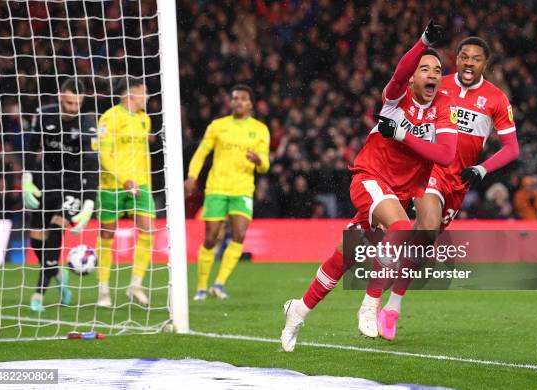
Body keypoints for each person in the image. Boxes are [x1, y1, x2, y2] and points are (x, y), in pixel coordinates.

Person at [281, 21, 458, 351]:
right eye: (424, 68)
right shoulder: (396, 98)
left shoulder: (443, 107)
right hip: (369, 179)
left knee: (344, 256)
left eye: (437, 69)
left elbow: (446, 155)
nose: (432, 74)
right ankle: (370, 303)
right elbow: (399, 71)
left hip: (398, 193)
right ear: (413, 76)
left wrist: (403, 134)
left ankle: (298, 309)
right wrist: (422, 42)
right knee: (403, 227)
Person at [360, 36, 520, 339]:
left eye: (475, 58)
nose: (469, 62)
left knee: (423, 242)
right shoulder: (435, 82)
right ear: (456, 59)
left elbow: (512, 148)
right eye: (464, 56)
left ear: (486, 64)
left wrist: (482, 168)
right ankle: (374, 296)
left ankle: (392, 306)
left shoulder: (496, 99)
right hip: (430, 170)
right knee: (428, 225)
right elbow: (404, 103)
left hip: (461, 180)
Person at [185, 84, 270, 300]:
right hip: (217, 188)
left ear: (251, 104)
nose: (238, 102)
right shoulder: (218, 126)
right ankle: (202, 287)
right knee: (211, 237)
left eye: (243, 99)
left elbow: (265, 166)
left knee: (239, 235)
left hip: (242, 189)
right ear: (230, 102)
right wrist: (192, 176)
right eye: (235, 98)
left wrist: (259, 160)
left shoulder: (260, 129)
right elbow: (201, 152)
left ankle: (219, 283)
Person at [23, 77, 98, 312]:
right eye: (68, 104)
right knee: (37, 241)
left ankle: (38, 294)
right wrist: (27, 177)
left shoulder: (87, 123)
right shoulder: (44, 115)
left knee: (55, 233)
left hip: (73, 184)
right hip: (46, 179)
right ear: (60, 98)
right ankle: (58, 273)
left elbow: (92, 162)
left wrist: (88, 202)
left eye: (77, 104)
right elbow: (31, 147)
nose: (73, 109)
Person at [95, 77, 155, 307]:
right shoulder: (110, 118)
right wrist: (123, 179)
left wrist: (138, 181)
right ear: (132, 94)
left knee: (148, 230)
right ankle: (103, 290)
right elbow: (104, 156)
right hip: (113, 185)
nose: (147, 97)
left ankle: (135, 285)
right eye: (144, 93)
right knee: (107, 235)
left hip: (140, 185)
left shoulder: (144, 120)